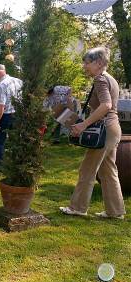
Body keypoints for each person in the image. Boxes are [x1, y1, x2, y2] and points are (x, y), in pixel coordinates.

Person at [60, 47, 126, 220]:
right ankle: (115, 211)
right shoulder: (110, 78)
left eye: (86, 63)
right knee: (108, 171)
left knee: (87, 170)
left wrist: (83, 125)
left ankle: (77, 208)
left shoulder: (100, 79)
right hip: (113, 129)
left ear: (98, 62)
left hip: (104, 130)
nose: (84, 66)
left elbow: (106, 105)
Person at [0, 64, 23, 172]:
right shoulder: (18, 81)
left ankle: (0, 166)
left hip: (5, 115)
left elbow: (1, 105)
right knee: (15, 140)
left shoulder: (1, 85)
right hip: (17, 114)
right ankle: (16, 163)